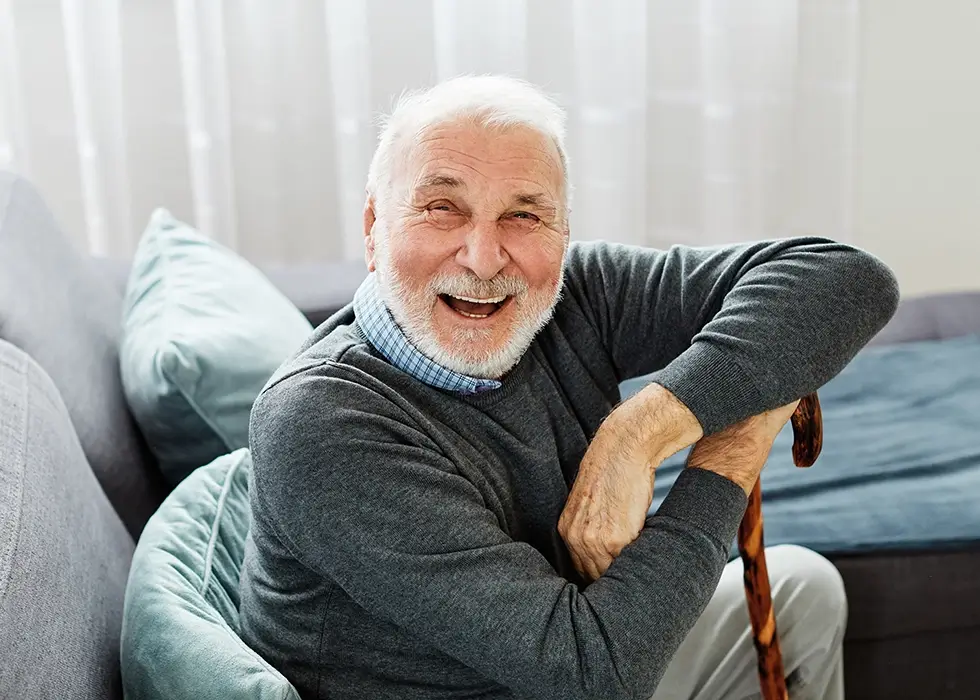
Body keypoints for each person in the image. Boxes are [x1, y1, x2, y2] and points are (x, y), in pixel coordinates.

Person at [239, 75, 899, 700]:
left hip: (560, 654)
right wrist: (732, 447)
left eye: (524, 215)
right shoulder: (324, 421)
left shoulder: (576, 296)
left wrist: (638, 431)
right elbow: (594, 674)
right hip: (550, 675)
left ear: (562, 232)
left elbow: (844, 278)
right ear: (373, 228)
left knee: (803, 591)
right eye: (442, 208)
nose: (483, 258)